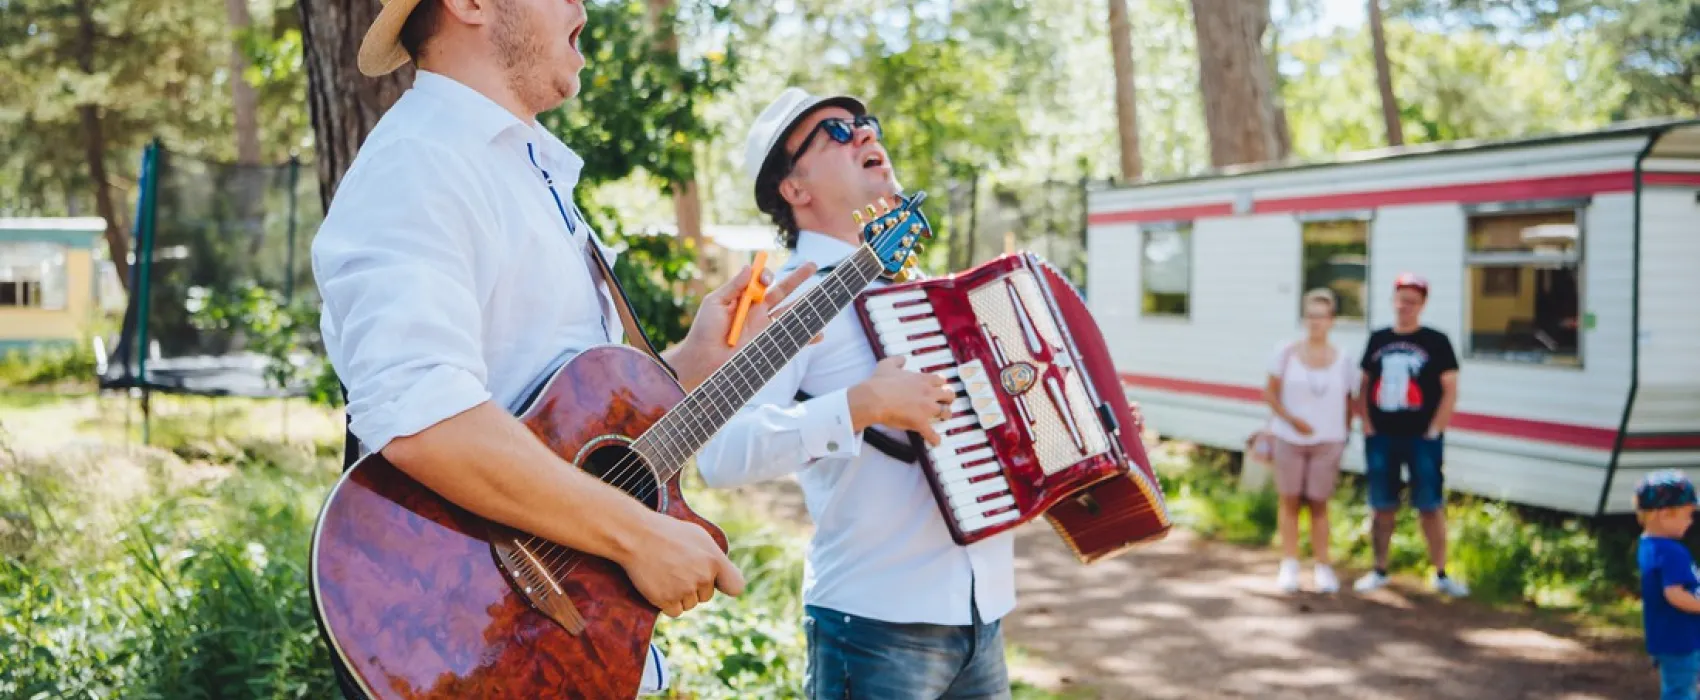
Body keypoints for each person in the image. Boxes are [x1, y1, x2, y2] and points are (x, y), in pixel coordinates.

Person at [311, 0, 819, 694]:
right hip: (470, 651)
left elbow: (563, 421)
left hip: (563, 650)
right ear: (470, 5)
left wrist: (695, 365)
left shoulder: (528, 174)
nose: (583, 5)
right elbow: (424, 418)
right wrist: (640, 537)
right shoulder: (420, 164)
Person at [693, 86, 1013, 699]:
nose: (866, 134)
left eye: (866, 123)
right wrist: (859, 406)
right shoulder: (787, 298)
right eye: (837, 132)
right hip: (874, 627)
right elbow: (719, 453)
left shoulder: (925, 288)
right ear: (795, 189)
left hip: (984, 616)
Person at [1352, 273, 1468, 597]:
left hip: (1423, 439)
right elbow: (1362, 385)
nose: (1405, 306)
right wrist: (1368, 426)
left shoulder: (1436, 341)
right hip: (1382, 437)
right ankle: (1379, 569)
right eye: (1401, 299)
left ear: (1422, 305)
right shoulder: (1378, 339)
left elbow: (1450, 390)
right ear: (1393, 300)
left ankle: (1441, 573)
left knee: (1429, 504)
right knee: (1382, 504)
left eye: (1412, 301)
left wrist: (1435, 429)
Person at [1264, 288, 1358, 594]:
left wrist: (1343, 436)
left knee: (1319, 503)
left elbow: (1349, 401)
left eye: (1322, 316)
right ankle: (1289, 563)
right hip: (1290, 438)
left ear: (1332, 320)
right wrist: (1292, 420)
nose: (1316, 322)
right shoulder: (1286, 353)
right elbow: (1270, 393)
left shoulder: (1343, 359)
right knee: (1289, 500)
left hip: (1328, 441)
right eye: (1311, 316)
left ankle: (1322, 565)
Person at [1635, 470, 1700, 700]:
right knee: (1680, 692)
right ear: (1665, 514)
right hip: (1680, 640)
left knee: (1681, 687)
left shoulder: (1648, 545)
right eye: (1688, 515)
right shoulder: (1671, 551)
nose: (1691, 521)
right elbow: (1674, 594)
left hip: (1666, 638)